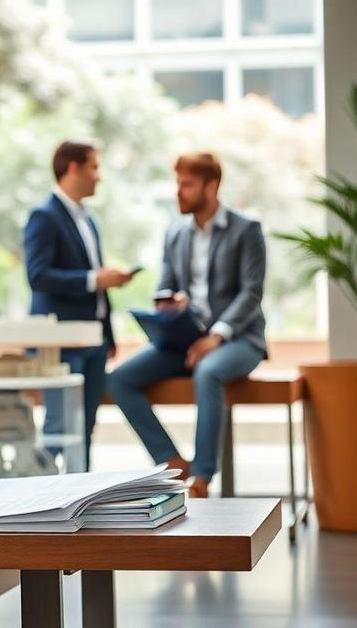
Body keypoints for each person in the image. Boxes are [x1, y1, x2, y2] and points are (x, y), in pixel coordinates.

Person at [107, 152, 267, 498]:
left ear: (212, 185)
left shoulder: (246, 229)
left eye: (187, 184)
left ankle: (202, 477)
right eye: (177, 183)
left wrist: (216, 336)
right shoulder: (176, 233)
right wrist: (167, 304)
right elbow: (165, 285)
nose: (179, 192)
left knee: (208, 372)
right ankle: (172, 462)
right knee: (118, 379)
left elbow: (252, 292)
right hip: (186, 340)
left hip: (238, 339)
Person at [23, 141, 134, 470]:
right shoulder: (44, 216)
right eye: (94, 167)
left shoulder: (89, 220)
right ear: (73, 168)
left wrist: (108, 334)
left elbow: (94, 283)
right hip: (61, 342)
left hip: (93, 341)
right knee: (59, 428)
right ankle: (36, 490)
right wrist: (93, 279)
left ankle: (80, 493)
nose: (99, 176)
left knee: (84, 429)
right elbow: (38, 276)